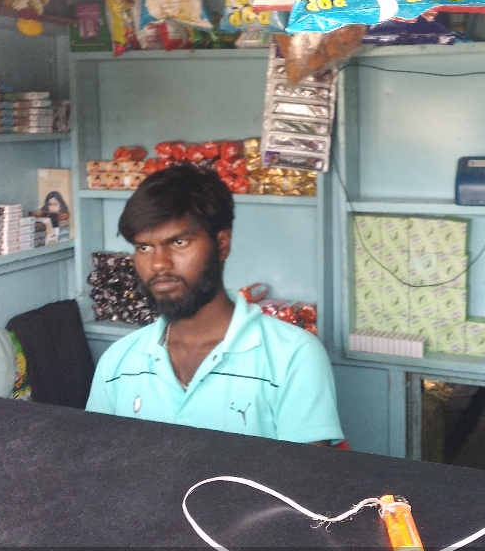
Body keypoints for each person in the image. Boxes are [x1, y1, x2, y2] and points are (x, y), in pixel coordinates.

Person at [86, 163, 343, 445]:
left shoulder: (292, 357)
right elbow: (99, 462)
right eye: (143, 247)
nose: (158, 264)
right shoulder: (117, 362)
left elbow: (302, 473)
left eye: (179, 242)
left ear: (222, 244)